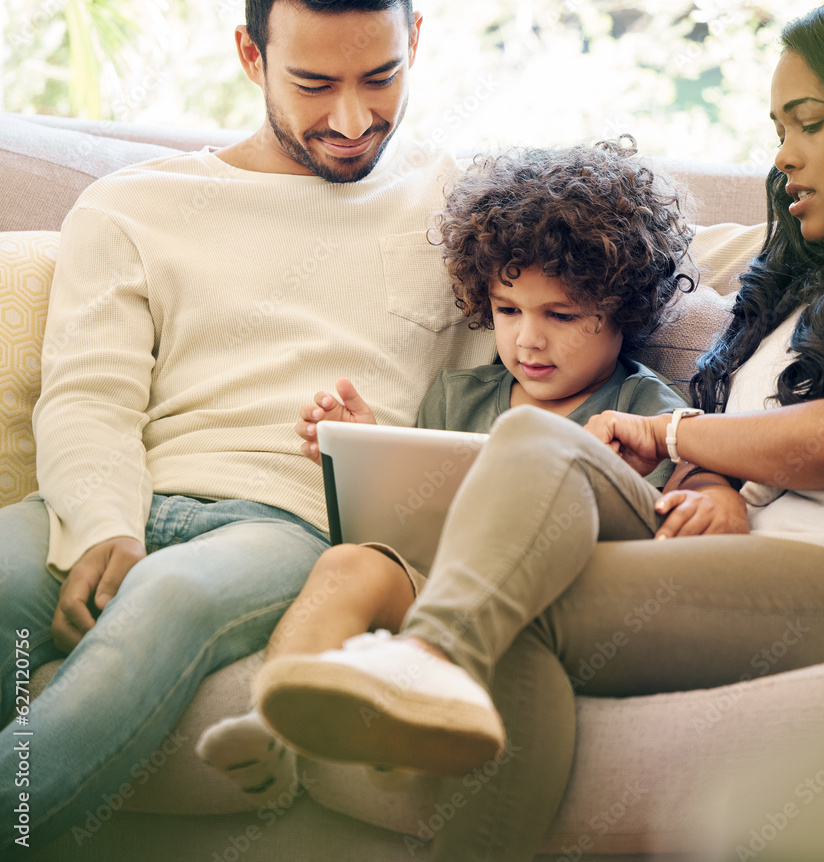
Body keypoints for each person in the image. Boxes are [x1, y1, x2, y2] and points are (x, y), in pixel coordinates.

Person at [246, 0, 824, 857]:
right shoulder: (816, 285)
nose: (783, 153)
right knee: (534, 467)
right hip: (764, 554)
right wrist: (718, 489)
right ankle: (434, 666)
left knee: (526, 567)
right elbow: (764, 445)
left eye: (810, 123)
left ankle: (433, 649)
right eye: (777, 127)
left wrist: (678, 444)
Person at [0, 0, 503, 852]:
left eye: (380, 77)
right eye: (313, 83)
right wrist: (104, 523)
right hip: (120, 497)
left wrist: (382, 439)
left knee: (170, 595)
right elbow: (90, 394)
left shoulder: (465, 210)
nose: (351, 120)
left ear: (415, 41)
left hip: (287, 522)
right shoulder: (135, 205)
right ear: (249, 54)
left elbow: (513, 402)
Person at [196, 136, 748, 788]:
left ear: (623, 311)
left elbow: (689, 474)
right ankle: (275, 724)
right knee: (348, 563)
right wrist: (364, 446)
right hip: (438, 595)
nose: (527, 338)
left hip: (557, 607)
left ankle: (409, 707)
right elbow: (408, 514)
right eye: (508, 310)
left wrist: (709, 492)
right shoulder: (460, 394)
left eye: (560, 314)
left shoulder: (641, 406)